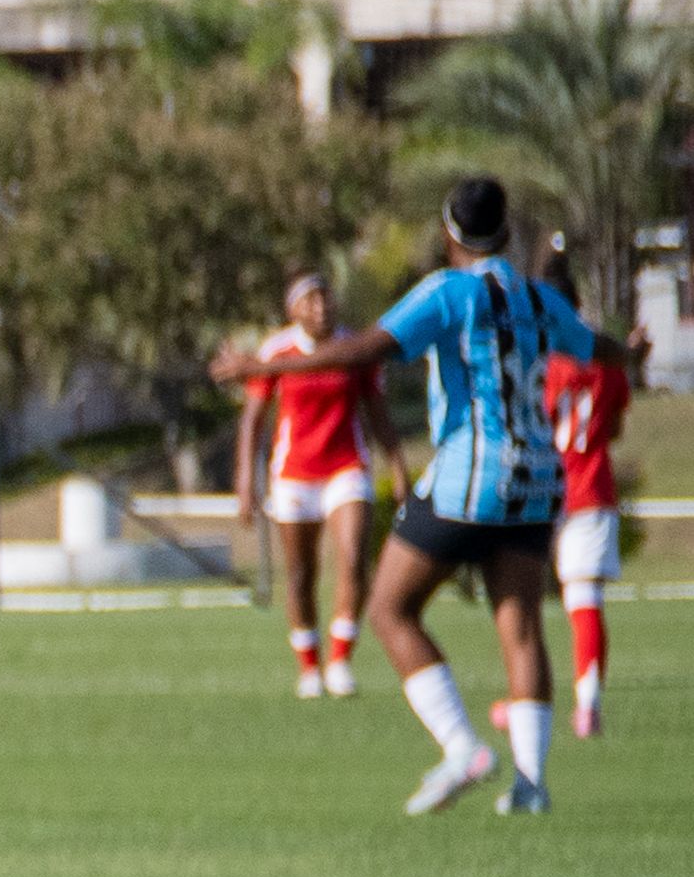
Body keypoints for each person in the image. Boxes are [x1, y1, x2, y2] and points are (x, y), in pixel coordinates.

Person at [210, 175, 594, 816]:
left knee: (389, 607)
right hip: (535, 482)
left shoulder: (449, 291)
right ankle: (531, 785)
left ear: (450, 234)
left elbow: (365, 350)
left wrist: (263, 367)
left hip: (470, 476)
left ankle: (462, 747)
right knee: (521, 627)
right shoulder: (534, 295)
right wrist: (629, 350)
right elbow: (593, 346)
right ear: (504, 232)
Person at [235, 273, 374, 698]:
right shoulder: (276, 350)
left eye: (326, 300)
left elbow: (378, 410)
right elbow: (254, 418)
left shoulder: (354, 347)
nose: (320, 308)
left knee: (352, 559)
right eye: (310, 302)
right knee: (300, 574)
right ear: (292, 309)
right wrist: (245, 476)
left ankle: (340, 662)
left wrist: (400, 469)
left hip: (345, 465)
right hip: (294, 472)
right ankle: (309, 668)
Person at [538, 254, 633, 736]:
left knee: (518, 597)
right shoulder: (607, 363)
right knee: (584, 600)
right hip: (591, 488)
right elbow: (612, 428)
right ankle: (586, 705)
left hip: (538, 490)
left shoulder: (538, 361)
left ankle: (524, 701)